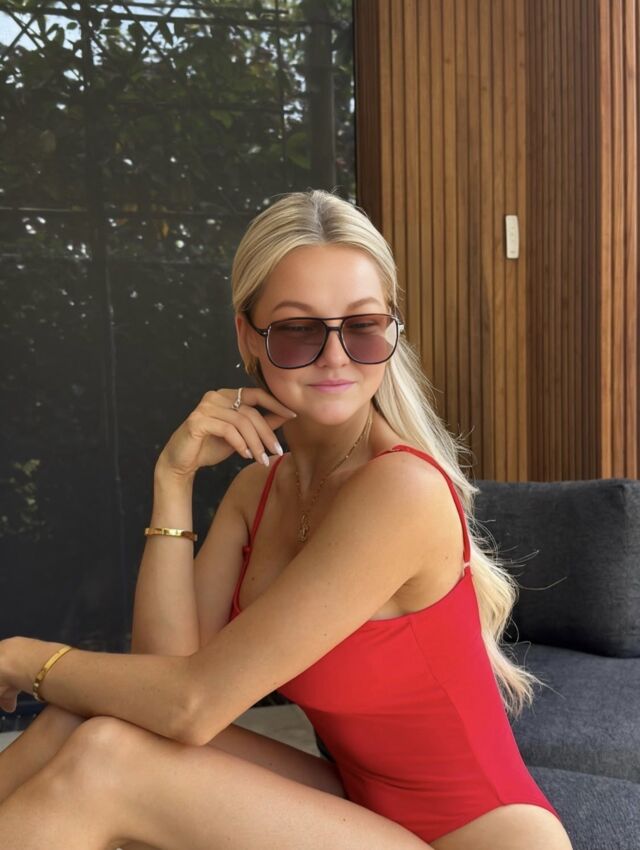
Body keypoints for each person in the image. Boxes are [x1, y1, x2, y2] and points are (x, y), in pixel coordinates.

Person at [0, 189, 573, 850]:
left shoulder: (402, 491)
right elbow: (162, 685)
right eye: (299, 329)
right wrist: (173, 480)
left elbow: (189, 706)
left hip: (478, 840)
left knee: (106, 765)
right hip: (365, 813)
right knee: (83, 722)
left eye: (362, 326)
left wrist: (22, 659)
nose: (336, 356)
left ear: (391, 331)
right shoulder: (259, 491)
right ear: (249, 337)